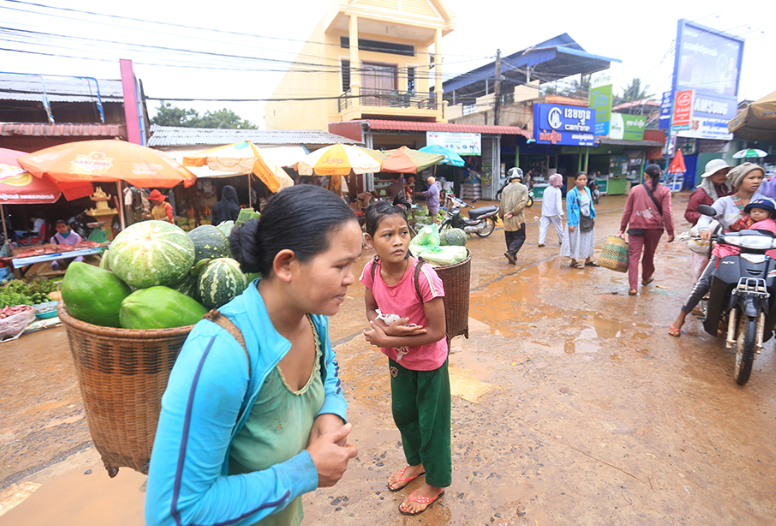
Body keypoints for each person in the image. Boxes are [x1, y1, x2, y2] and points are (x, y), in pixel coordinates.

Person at [145, 185, 361, 526]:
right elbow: (175, 513)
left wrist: (331, 412)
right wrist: (304, 471)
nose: (352, 279)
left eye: (355, 263)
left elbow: (328, 370)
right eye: (341, 266)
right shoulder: (222, 354)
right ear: (286, 264)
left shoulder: (312, 316)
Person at [360, 201, 450, 516]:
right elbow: (371, 309)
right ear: (369, 241)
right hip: (398, 359)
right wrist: (382, 325)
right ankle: (417, 463)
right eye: (387, 235)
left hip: (429, 362)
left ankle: (436, 482)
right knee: (404, 413)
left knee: (432, 423)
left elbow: (438, 330)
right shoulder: (371, 270)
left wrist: (387, 338)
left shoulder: (423, 277)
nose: (398, 241)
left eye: (403, 232)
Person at [669, 163, 765, 337]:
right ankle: (681, 317)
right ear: (738, 180)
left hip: (758, 251)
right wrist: (704, 229)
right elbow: (705, 217)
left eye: (759, 177)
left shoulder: (766, 202)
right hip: (728, 250)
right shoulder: (724, 202)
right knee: (704, 281)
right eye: (751, 178)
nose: (756, 181)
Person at [618, 164, 675, 296]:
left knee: (633, 257)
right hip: (654, 229)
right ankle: (645, 278)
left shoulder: (635, 189)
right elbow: (667, 213)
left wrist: (622, 228)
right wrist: (670, 231)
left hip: (635, 227)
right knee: (649, 255)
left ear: (646, 175)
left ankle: (633, 287)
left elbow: (627, 211)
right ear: (660, 175)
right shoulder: (665, 191)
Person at [685, 159, 733, 283]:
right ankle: (696, 294)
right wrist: (707, 219)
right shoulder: (700, 193)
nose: (722, 176)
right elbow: (689, 214)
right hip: (705, 237)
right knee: (701, 269)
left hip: (726, 236)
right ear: (710, 175)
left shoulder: (730, 191)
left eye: (724, 172)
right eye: (718, 173)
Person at [561, 172, 597, 269]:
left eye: (584, 179)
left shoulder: (588, 190)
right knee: (575, 240)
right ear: (575, 181)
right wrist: (571, 223)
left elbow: (590, 204)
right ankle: (574, 261)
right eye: (580, 179)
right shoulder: (571, 193)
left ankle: (588, 259)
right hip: (576, 220)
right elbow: (569, 209)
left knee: (588, 239)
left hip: (587, 218)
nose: (582, 181)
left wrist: (592, 215)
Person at [499, 169, 529, 265]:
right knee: (520, 237)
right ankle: (511, 252)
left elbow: (501, 205)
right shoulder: (524, 188)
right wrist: (513, 212)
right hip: (518, 218)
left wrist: (502, 217)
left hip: (507, 218)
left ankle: (512, 256)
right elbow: (523, 203)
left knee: (510, 238)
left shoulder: (505, 189)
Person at [538, 174, 564, 247]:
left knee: (543, 228)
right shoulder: (557, 190)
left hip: (545, 212)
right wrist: (561, 212)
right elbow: (558, 203)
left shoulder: (546, 189)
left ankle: (541, 242)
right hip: (555, 213)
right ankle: (561, 240)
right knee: (559, 227)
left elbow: (544, 202)